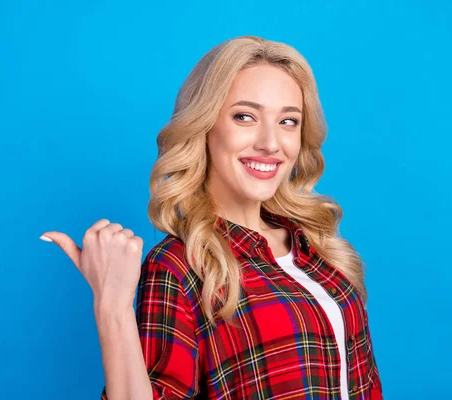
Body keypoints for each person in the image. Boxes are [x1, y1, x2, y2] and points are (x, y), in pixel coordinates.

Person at [40, 36, 383, 400]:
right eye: (244, 117)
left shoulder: (315, 247)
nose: (270, 142)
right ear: (204, 125)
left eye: (288, 121)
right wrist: (112, 306)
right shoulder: (180, 267)